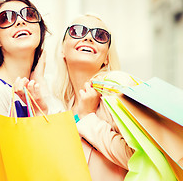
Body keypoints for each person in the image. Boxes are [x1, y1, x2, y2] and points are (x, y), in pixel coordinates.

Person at [0, 0, 56, 180]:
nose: (20, 21)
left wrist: (40, 85)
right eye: (6, 18)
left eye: (29, 15)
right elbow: (7, 165)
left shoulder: (47, 87)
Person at [54, 14, 134, 181]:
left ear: (106, 58)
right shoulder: (61, 106)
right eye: (77, 31)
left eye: (100, 35)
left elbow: (137, 158)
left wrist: (88, 117)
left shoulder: (117, 88)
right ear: (62, 50)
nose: (89, 37)